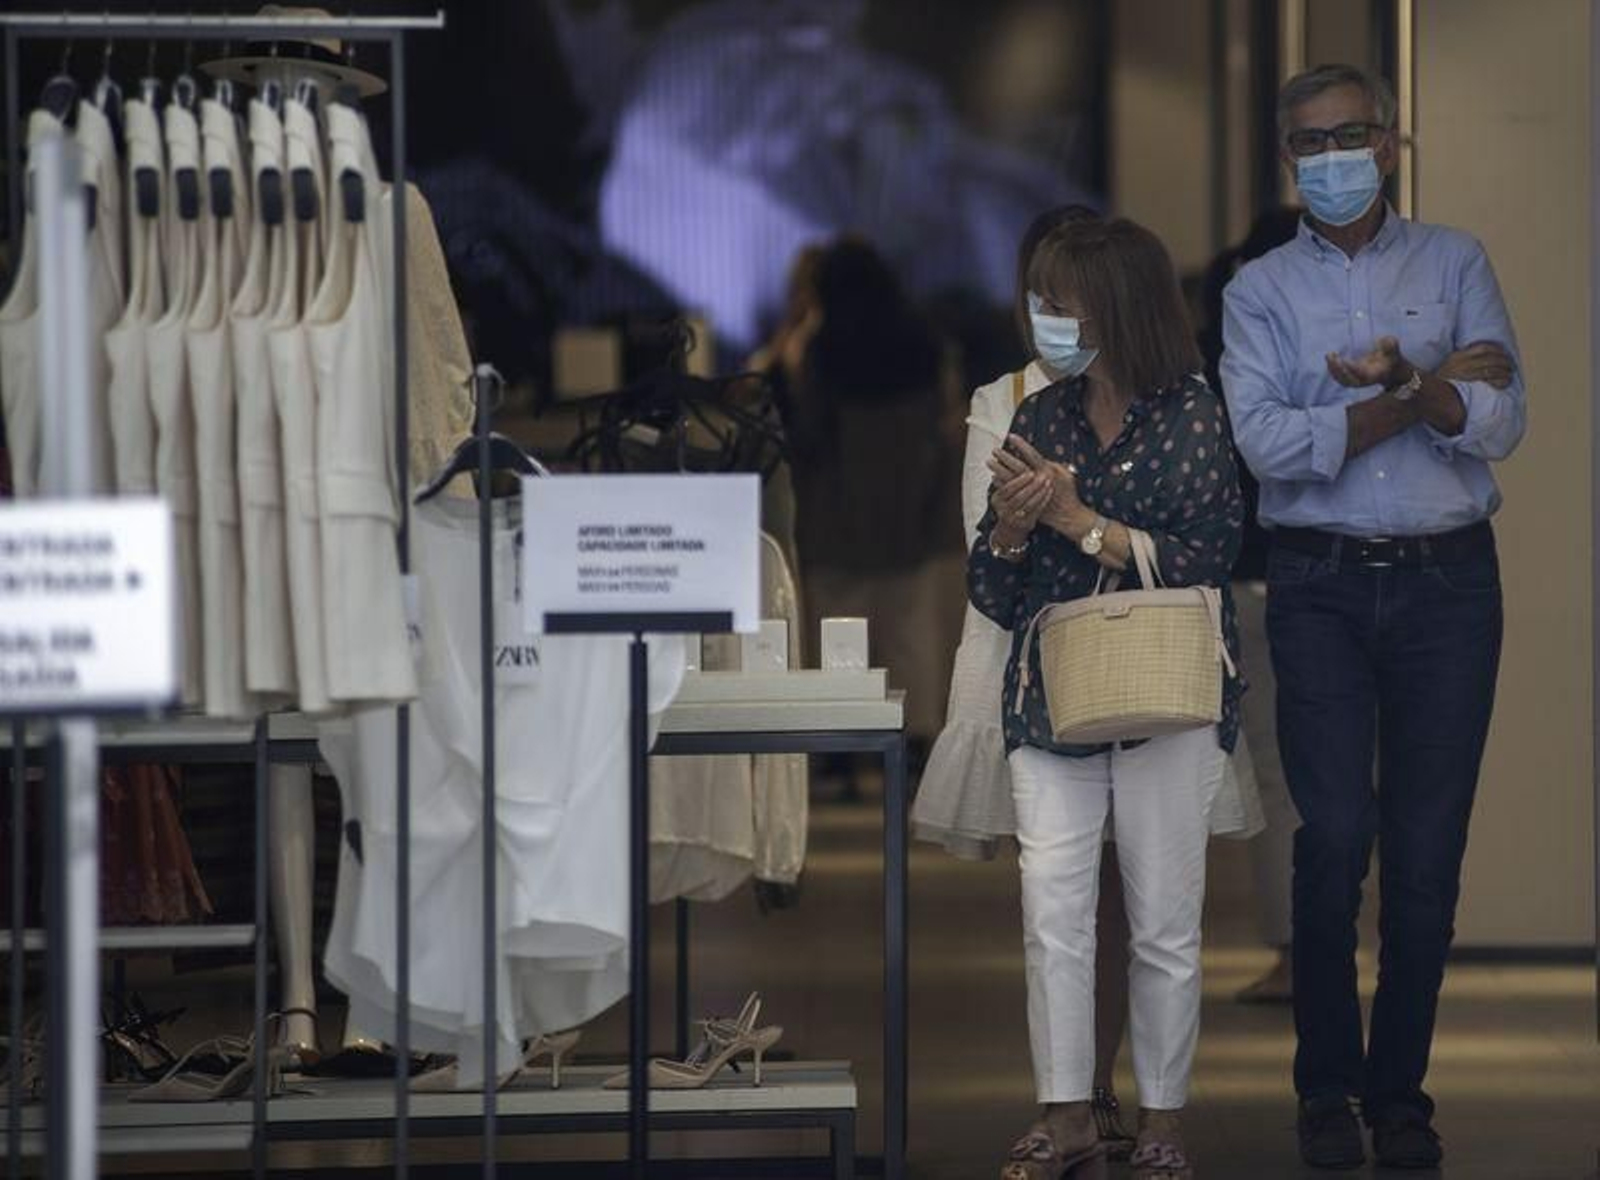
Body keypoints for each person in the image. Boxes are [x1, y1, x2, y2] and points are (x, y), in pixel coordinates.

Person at [1220, 64, 1525, 1171]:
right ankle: (1323, 1086)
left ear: (1388, 145)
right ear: (1286, 160)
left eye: (1349, 135)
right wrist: (1419, 389)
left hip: (1450, 586)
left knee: (1426, 856)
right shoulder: (1256, 291)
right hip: (1320, 584)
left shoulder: (1455, 260)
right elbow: (1268, 447)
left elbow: (1501, 422)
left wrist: (1411, 396)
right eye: (1310, 143)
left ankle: (1399, 1095)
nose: (1332, 157)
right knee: (1335, 837)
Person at [970, 216, 1244, 1180]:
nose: (1043, 319)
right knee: (1052, 912)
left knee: (1164, 917)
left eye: (1061, 303)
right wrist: (1012, 531)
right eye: (1039, 301)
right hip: (1052, 699)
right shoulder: (1039, 417)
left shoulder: (1192, 412)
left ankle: (1163, 1118)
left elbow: (1212, 554)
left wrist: (1079, 522)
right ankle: (1068, 1113)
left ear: (1118, 308)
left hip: (1171, 689)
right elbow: (994, 592)